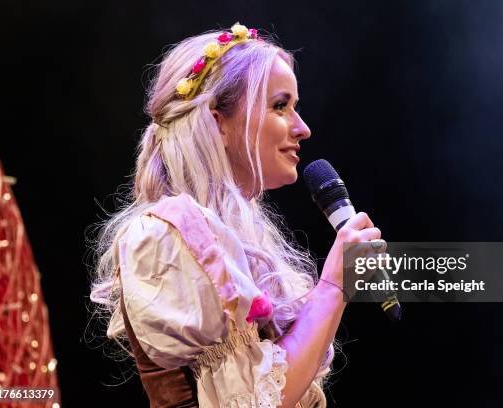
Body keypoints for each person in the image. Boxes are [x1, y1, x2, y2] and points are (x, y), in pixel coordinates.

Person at [89, 23, 382, 408]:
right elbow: (255, 401)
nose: (303, 128)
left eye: (295, 107)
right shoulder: (164, 236)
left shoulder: (224, 236)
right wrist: (333, 286)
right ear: (216, 122)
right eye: (280, 106)